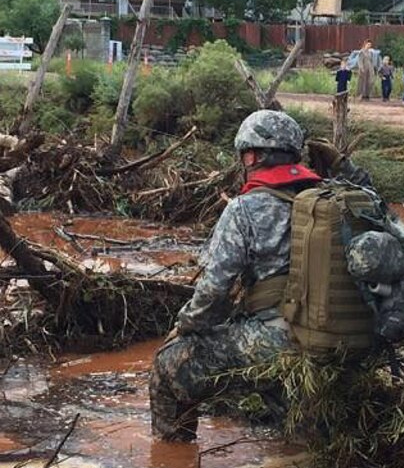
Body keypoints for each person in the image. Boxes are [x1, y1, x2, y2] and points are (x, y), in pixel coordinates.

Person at [149, 110, 376, 441]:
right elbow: (380, 211)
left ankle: (172, 466)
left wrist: (184, 328)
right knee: (303, 438)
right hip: (345, 341)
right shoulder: (337, 197)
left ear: (251, 156)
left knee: (167, 367)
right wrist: (344, 167)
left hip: (281, 341)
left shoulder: (245, 208)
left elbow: (214, 292)